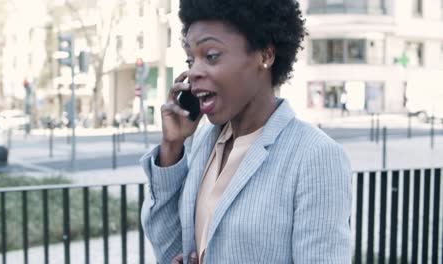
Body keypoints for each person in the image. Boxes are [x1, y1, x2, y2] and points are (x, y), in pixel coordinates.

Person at [140, 0, 352, 263]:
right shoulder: (204, 141)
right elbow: (170, 250)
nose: (193, 71)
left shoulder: (315, 157)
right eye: (191, 59)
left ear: (265, 55)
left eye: (211, 55)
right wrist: (172, 147)